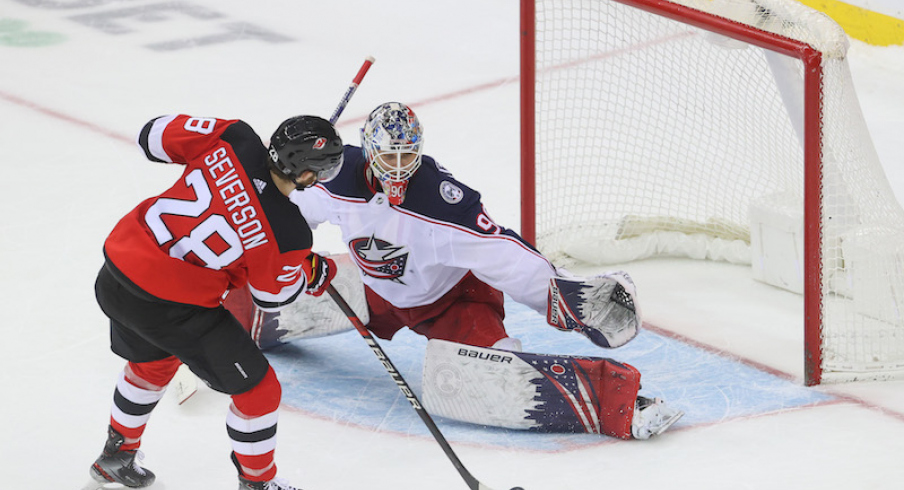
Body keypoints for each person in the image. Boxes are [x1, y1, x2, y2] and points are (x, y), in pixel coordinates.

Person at [226, 102, 682, 440]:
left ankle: (618, 401)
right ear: (368, 150)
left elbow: (504, 254)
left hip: (453, 303)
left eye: (409, 156)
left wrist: (570, 297)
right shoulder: (336, 175)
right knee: (275, 284)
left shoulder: (443, 204)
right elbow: (291, 217)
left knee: (493, 379)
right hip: (374, 289)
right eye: (389, 157)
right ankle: (221, 318)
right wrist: (274, 204)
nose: (400, 168)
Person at [88, 114, 342, 490]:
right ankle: (257, 484)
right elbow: (273, 296)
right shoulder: (288, 231)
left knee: (152, 362)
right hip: (172, 306)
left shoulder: (234, 136)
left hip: (118, 274)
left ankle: (116, 454)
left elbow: (151, 136)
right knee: (259, 392)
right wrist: (308, 268)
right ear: (307, 176)